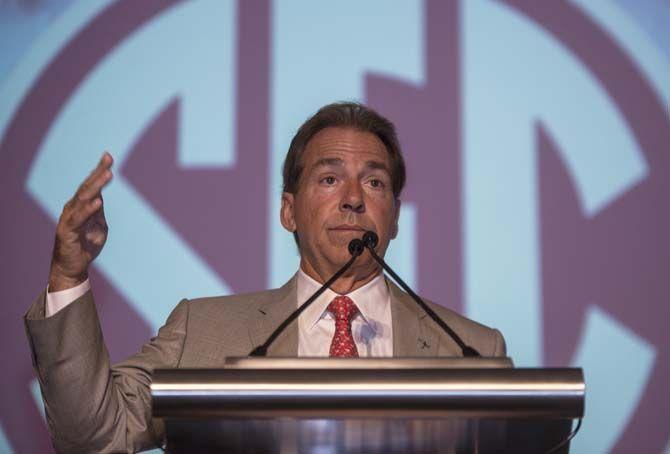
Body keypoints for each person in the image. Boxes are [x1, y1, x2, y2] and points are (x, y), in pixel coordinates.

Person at [25, 102, 506, 452]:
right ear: (289, 211)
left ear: (395, 217)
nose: (355, 198)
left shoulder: (471, 351)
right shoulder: (206, 332)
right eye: (329, 178)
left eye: (375, 181)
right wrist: (68, 274)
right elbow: (93, 435)